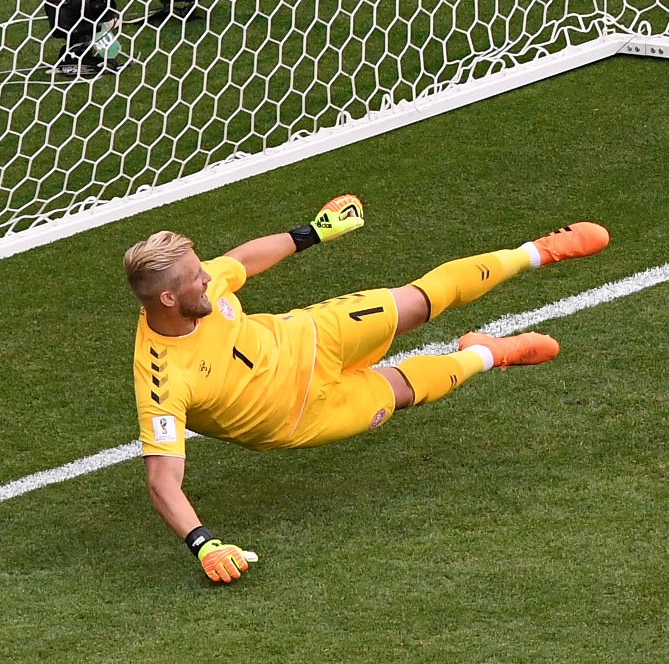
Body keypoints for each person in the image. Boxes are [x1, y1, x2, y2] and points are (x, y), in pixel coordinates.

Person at [124, 194, 610, 583]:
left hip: (312, 334)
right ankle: (489, 354)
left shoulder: (200, 287)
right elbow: (162, 480)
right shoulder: (162, 376)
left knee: (416, 302)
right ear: (169, 298)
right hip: (301, 416)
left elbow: (239, 262)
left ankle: (537, 251)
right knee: (399, 389)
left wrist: (313, 232)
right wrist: (204, 542)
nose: (207, 277)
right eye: (195, 277)